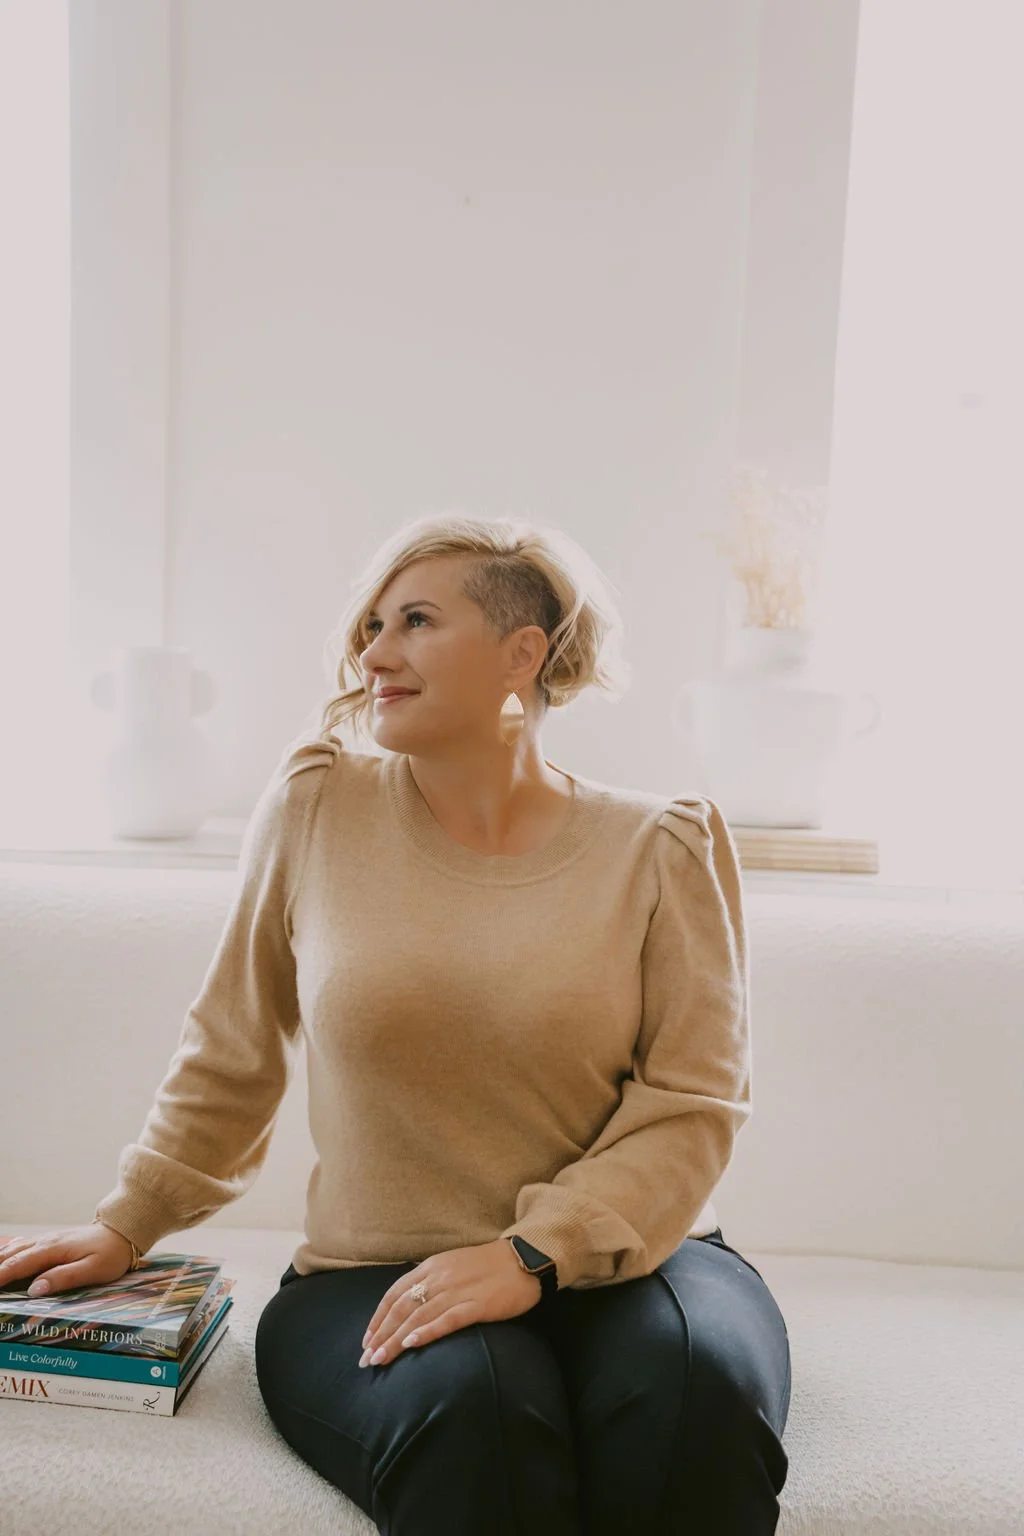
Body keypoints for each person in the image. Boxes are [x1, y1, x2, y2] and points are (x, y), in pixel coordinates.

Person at [0, 514, 791, 1533]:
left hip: (636, 1257)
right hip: (373, 1270)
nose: (374, 653)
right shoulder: (318, 805)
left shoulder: (662, 845)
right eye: (371, 626)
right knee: (477, 1417)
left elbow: (692, 1103)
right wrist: (127, 1223)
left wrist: (530, 1255)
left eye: (415, 621)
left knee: (694, 1399)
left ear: (522, 652)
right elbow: (233, 1048)